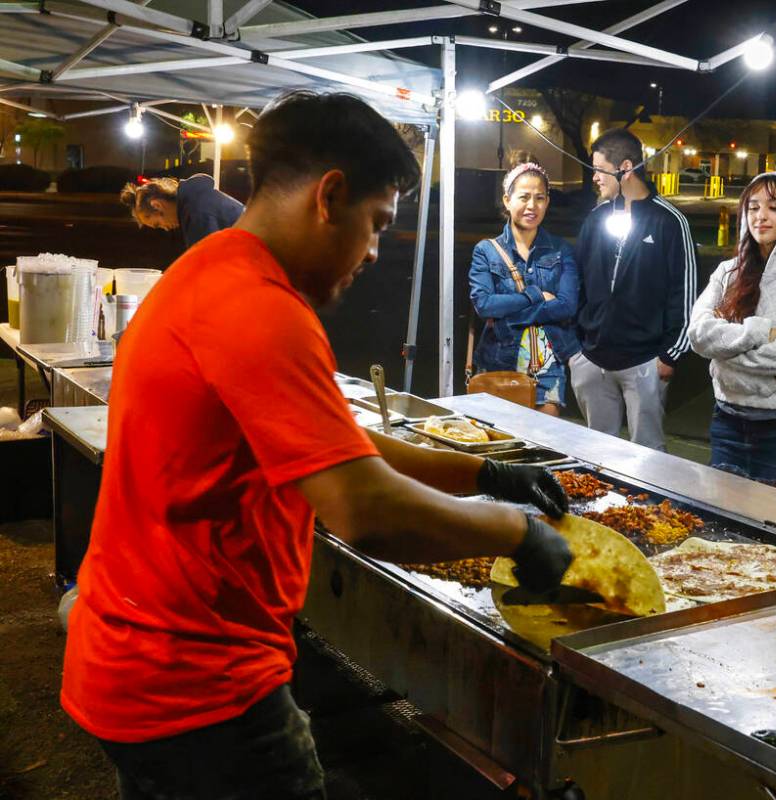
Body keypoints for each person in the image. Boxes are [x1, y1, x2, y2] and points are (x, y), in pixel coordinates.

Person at [63, 91, 574, 800]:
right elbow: (360, 505)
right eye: (376, 225)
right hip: (198, 688)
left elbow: (343, 445)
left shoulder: (213, 268)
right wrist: (517, 534)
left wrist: (487, 474)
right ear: (330, 195)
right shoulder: (262, 308)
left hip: (134, 659)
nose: (372, 252)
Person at [687, 172, 776, 490]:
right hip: (726, 419)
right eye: (753, 207)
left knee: (774, 525)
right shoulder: (728, 272)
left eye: (773, 206)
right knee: (721, 518)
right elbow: (698, 334)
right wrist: (762, 332)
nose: (761, 216)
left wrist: (726, 358)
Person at [571, 128, 697, 451]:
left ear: (625, 168)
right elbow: (578, 282)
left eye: (600, 170)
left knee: (648, 457)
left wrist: (670, 354)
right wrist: (576, 348)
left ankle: (648, 503)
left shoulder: (669, 221)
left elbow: (684, 293)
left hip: (645, 360)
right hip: (593, 357)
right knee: (597, 457)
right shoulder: (596, 218)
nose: (595, 178)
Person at [469, 160, 580, 416]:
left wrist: (510, 315)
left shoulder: (561, 249)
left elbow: (567, 305)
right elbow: (484, 305)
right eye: (524, 197)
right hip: (498, 360)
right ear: (507, 201)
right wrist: (535, 295)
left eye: (539, 198)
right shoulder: (486, 251)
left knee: (544, 442)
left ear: (547, 202)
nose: (532, 206)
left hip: (547, 365)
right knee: (499, 441)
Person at [120, 173, 244, 248]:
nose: (166, 228)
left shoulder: (197, 213)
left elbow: (207, 268)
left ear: (157, 205)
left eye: (158, 224)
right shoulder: (195, 202)